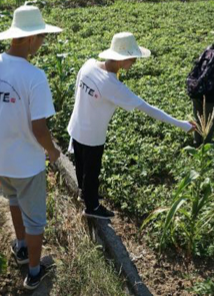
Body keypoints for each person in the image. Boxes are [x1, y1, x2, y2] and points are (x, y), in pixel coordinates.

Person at [0, 4, 62, 291]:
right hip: (26, 164)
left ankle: (20, 247)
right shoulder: (34, 77)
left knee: (13, 201)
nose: (42, 42)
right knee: (36, 221)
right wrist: (53, 153)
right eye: (41, 37)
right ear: (30, 39)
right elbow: (39, 129)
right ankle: (33, 271)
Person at [67, 32, 197, 220]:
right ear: (123, 59)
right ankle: (92, 207)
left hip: (76, 127)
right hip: (93, 136)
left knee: (81, 166)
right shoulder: (113, 86)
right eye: (133, 59)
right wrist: (182, 125)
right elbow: (149, 109)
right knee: (92, 171)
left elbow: (77, 91)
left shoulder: (88, 65)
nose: (134, 63)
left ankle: (84, 193)